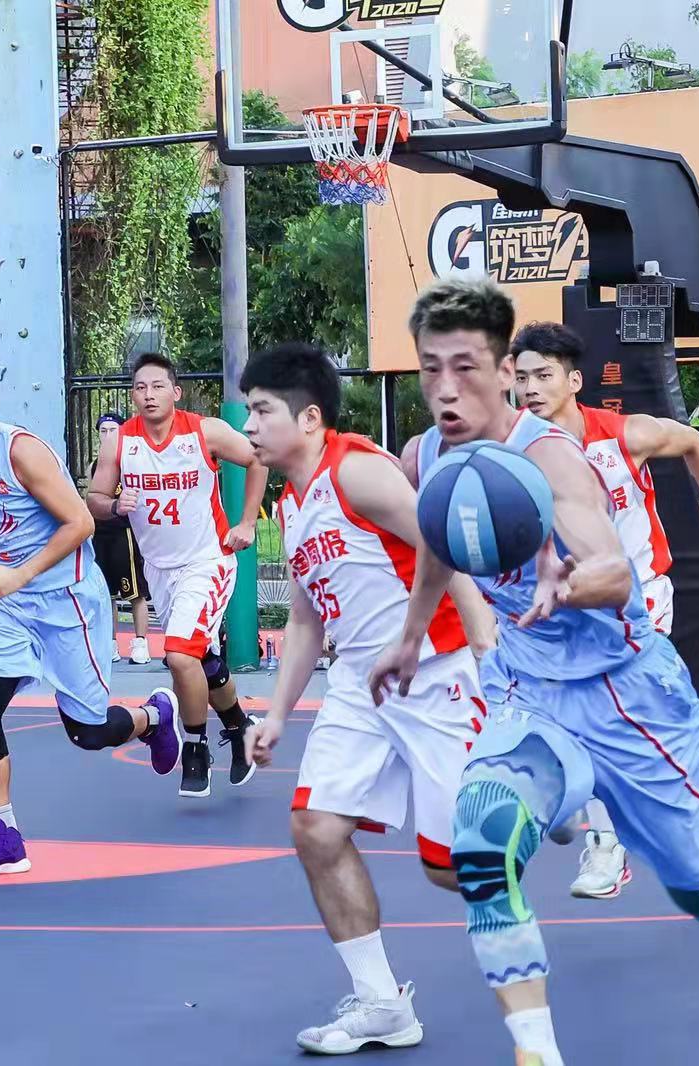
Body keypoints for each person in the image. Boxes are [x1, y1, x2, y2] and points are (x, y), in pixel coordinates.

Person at [369, 278, 699, 1066]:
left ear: (501, 373)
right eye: (430, 368)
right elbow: (440, 544)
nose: (445, 388)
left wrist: (568, 583)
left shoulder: (550, 458)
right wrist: (410, 636)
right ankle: (536, 1053)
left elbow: (617, 574)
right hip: (529, 694)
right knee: (483, 846)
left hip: (625, 695)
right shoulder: (426, 456)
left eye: (465, 367)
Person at [240, 343, 496, 1055]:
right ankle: (383, 1005)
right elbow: (304, 620)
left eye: (262, 410)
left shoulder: (356, 469)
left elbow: (442, 545)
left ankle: (574, 797)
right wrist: (277, 714)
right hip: (359, 685)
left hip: (436, 674)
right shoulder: (293, 504)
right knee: (316, 829)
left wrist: (482, 640)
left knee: (452, 869)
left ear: (309, 417)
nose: (250, 426)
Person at [510, 321, 699, 901]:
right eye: (521, 378)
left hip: (640, 598)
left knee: (608, 726)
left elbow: (695, 443)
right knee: (633, 735)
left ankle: (609, 844)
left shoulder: (623, 436)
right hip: (569, 612)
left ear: (574, 381)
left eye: (543, 375)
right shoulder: (513, 454)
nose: (531, 388)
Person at [0, 358, 180, 878]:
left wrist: (19, 575)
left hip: (67, 600)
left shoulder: (21, 452)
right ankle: (4, 837)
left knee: (89, 732)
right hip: (8, 605)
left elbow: (81, 523)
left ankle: (154, 716)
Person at [88, 353, 268, 800]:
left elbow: (260, 458)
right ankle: (239, 727)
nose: (148, 395)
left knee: (179, 656)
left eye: (157, 386)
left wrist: (248, 522)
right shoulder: (119, 443)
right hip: (159, 568)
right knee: (199, 661)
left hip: (207, 561)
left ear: (175, 392)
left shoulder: (204, 431)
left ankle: (195, 746)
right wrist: (114, 505)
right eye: (140, 387)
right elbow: (94, 498)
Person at [88, 412, 153, 666]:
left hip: (125, 532)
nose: (107, 435)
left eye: (112, 430)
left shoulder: (131, 460)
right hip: (101, 533)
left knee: (135, 592)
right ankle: (111, 643)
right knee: (107, 594)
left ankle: (141, 643)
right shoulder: (95, 465)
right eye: (103, 431)